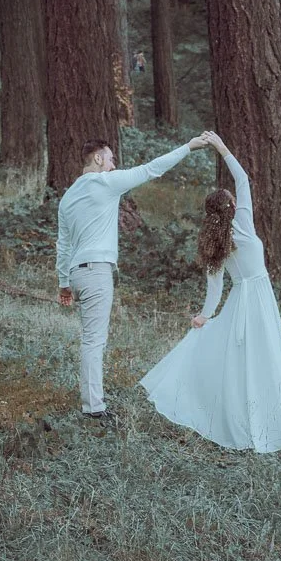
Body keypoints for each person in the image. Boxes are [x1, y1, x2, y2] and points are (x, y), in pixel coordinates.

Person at [139, 131, 281, 452]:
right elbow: (242, 178)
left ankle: (251, 415)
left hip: (240, 298)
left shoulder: (215, 242)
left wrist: (205, 315)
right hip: (257, 295)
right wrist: (221, 147)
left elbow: (214, 288)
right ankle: (263, 420)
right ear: (231, 205)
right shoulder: (243, 222)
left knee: (245, 360)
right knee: (264, 357)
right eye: (234, 198)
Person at [57, 135, 207, 423]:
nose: (114, 165)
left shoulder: (69, 196)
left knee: (92, 340)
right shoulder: (105, 183)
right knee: (93, 341)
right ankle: (93, 408)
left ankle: (93, 405)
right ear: (98, 158)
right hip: (96, 271)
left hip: (77, 272)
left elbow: (63, 244)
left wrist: (64, 283)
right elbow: (152, 168)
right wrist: (189, 147)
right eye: (111, 158)